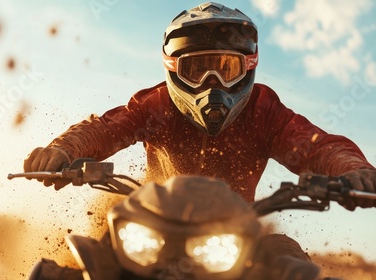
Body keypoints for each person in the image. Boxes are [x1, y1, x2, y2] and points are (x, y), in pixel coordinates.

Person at [24, 2, 376, 279]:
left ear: (249, 67)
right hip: (152, 224)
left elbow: (318, 145)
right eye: (197, 70)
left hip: (235, 237)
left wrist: (354, 169)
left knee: (286, 257)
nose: (214, 84)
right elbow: (102, 128)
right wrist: (62, 150)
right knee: (89, 262)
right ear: (174, 69)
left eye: (227, 68)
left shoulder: (265, 110)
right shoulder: (155, 104)